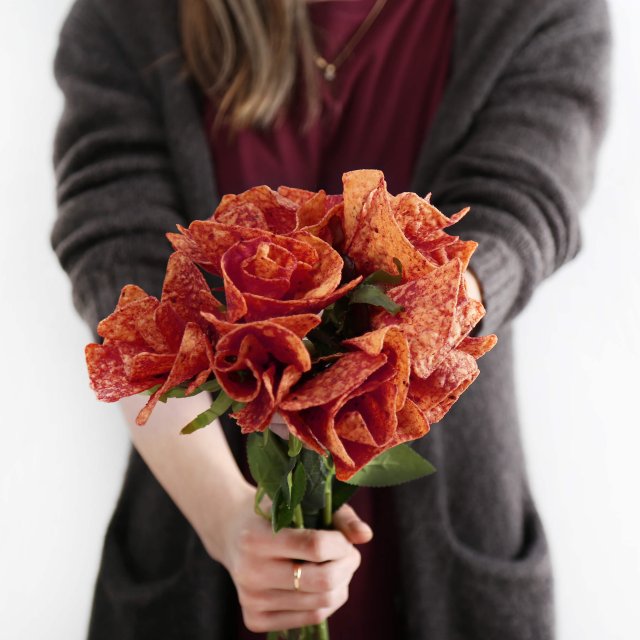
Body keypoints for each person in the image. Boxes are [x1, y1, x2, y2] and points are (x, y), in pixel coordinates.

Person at [51, 0, 610, 638]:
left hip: (444, 561)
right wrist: (229, 521)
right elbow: (127, 276)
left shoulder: (540, 11)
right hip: (201, 532)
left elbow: (520, 209)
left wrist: (391, 359)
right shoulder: (131, 16)